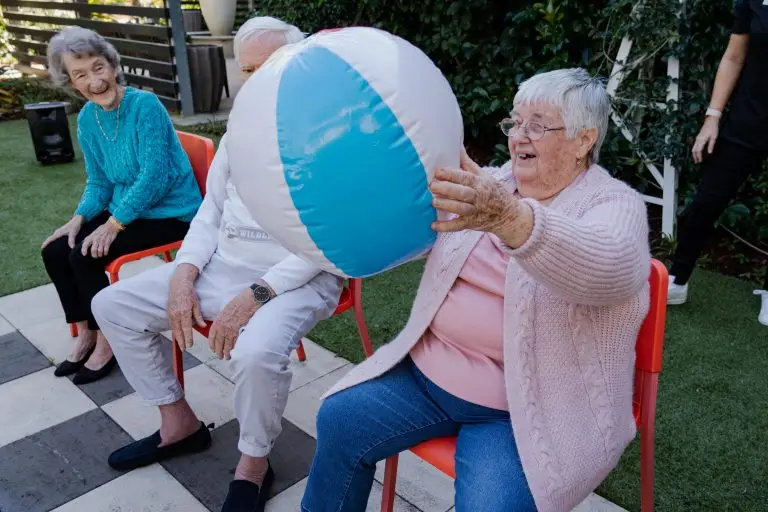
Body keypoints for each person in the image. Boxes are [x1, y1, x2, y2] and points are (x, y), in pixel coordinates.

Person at [301, 68, 651, 512]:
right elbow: (413, 220)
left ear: (584, 140)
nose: (519, 137)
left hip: (522, 413)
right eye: (515, 123)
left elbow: (610, 267)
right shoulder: (492, 184)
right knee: (339, 419)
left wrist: (511, 220)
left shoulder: (614, 205)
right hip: (426, 376)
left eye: (537, 126)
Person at [91, 17, 341, 512]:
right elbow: (212, 209)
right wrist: (185, 272)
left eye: (270, 66)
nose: (258, 78)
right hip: (225, 262)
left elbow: (326, 241)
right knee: (112, 304)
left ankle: (254, 464)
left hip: (300, 277)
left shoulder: (330, 132)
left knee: (255, 353)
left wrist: (256, 295)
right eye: (249, 69)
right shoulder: (241, 126)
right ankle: (178, 423)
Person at [41, 27, 202, 384]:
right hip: (130, 208)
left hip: (171, 212)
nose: (95, 81)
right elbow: (99, 181)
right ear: (71, 81)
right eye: (81, 74)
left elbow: (155, 176)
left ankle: (108, 343)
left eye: (98, 68)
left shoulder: (144, 105)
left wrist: (113, 224)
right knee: (57, 249)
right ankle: (87, 333)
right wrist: (79, 218)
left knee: (85, 255)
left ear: (113, 66)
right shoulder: (87, 118)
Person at [667, 0, 768, 322]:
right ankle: (678, 280)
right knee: (705, 202)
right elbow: (734, 55)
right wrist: (712, 117)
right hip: (746, 122)